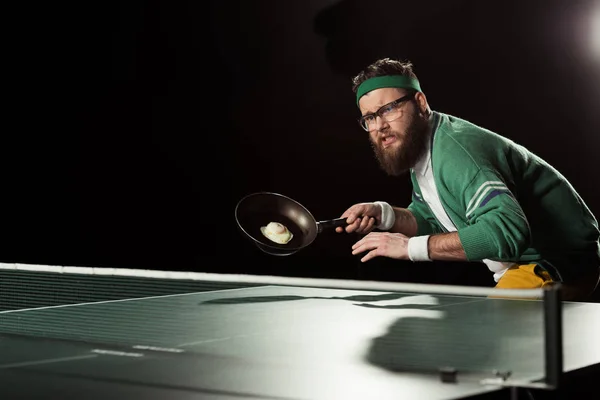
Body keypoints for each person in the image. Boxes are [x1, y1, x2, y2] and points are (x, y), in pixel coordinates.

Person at [336, 57, 600, 301]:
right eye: (370, 117)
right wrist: (386, 215)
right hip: (525, 264)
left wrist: (409, 248)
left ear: (420, 103)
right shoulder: (423, 149)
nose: (380, 125)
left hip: (558, 264)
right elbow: (432, 219)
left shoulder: (456, 153)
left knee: (486, 337)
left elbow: (505, 233)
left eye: (389, 108)